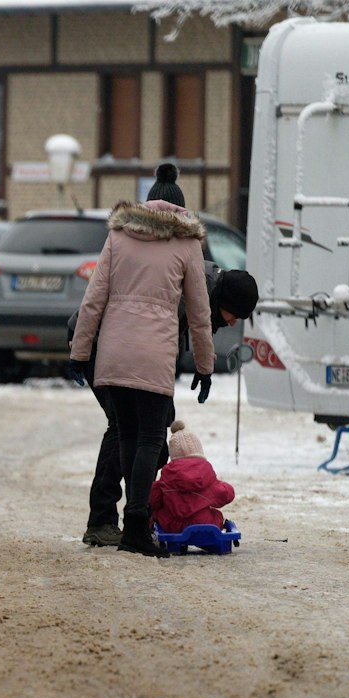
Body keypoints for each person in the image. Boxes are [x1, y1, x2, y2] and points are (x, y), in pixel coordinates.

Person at [67, 198, 215, 556]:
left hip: (114, 353)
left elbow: (93, 299)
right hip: (153, 355)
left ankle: (132, 523)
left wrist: (80, 352)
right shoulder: (188, 244)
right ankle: (136, 524)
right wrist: (205, 366)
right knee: (150, 438)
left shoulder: (119, 236)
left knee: (128, 435)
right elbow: (199, 313)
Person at [78, 267, 259, 547]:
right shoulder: (191, 291)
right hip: (102, 344)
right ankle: (104, 521)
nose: (233, 323)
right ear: (222, 300)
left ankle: (138, 517)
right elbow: (157, 340)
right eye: (233, 314)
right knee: (125, 427)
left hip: (126, 347)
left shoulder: (203, 287)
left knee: (146, 432)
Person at [150, 420, 236, 534]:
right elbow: (225, 495)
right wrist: (225, 487)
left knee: (157, 514)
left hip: (173, 526)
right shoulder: (206, 472)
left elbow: (154, 500)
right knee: (217, 515)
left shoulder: (167, 473)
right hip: (204, 523)